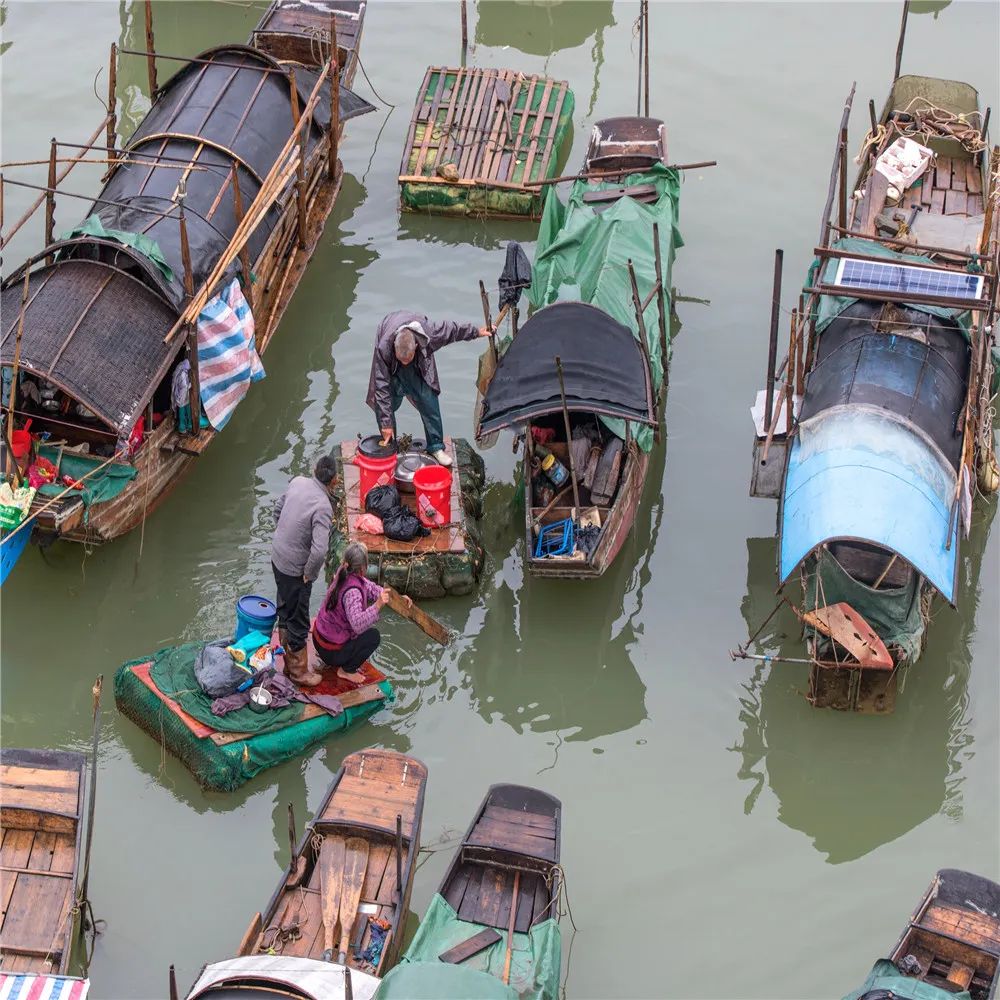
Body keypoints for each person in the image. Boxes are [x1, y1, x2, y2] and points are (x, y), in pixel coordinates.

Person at [366, 310, 492, 467]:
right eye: (402, 359)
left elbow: (451, 330)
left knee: (428, 400)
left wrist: (476, 332)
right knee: (383, 403)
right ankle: (391, 447)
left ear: (417, 346)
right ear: (393, 347)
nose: (405, 362)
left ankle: (436, 447)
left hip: (418, 365)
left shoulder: (429, 334)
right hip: (392, 367)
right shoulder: (384, 347)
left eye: (407, 359)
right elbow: (381, 383)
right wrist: (386, 423)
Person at [271, 455, 337, 687]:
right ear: (335, 481)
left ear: (314, 470)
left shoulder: (297, 481)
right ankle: (298, 672)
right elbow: (319, 551)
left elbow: (277, 511)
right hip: (294, 569)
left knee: (284, 607)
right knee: (298, 618)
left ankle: (290, 663)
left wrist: (285, 537)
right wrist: (309, 574)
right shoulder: (323, 506)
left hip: (277, 557)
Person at [312, 543, 411, 682]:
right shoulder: (352, 592)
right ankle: (346, 671)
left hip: (319, 640)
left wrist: (398, 599)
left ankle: (338, 660)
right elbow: (358, 625)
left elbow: (370, 588)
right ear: (363, 567)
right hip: (330, 652)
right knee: (373, 636)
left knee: (365, 630)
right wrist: (377, 605)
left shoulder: (343, 572)